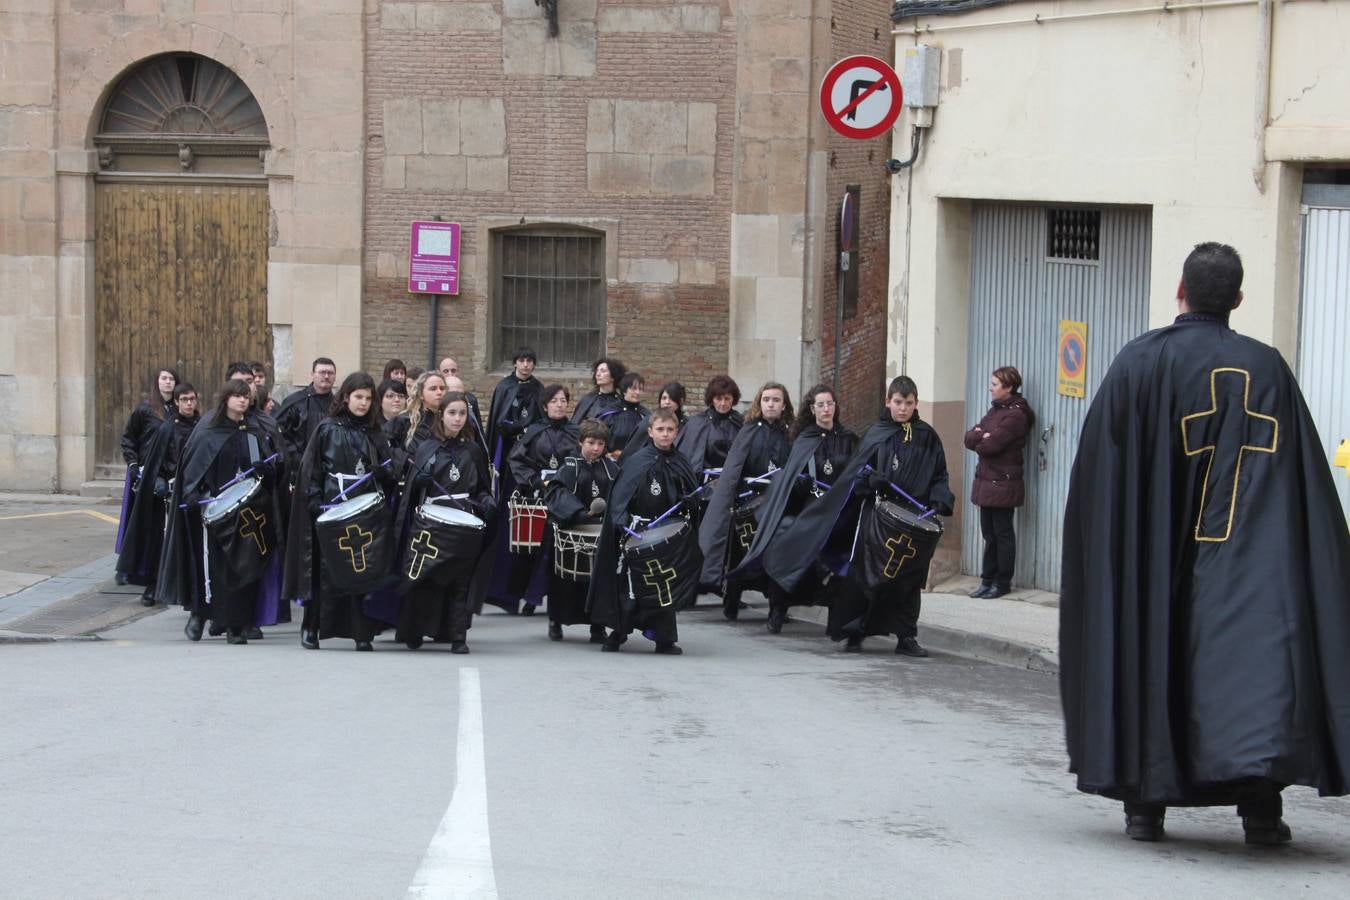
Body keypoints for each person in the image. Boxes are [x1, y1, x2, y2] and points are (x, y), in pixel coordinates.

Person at [1060, 242, 1350, 845]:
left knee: (1152, 651)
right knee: (1254, 673)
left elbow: (1102, 480)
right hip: (1251, 561)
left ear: (1179, 290)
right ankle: (1260, 812)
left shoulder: (1139, 365)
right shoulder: (1269, 369)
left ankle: (1145, 808)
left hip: (1156, 555)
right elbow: (1305, 487)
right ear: (1238, 300)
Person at [762, 376, 954, 656]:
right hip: (877, 517)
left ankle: (906, 637)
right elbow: (856, 474)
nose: (903, 409)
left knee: (909, 581)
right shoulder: (876, 433)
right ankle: (855, 631)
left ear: (915, 404)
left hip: (913, 519)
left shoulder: (928, 436)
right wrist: (868, 482)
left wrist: (940, 498)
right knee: (867, 575)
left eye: (909, 403)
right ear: (888, 401)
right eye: (898, 402)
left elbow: (940, 474)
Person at [154, 378, 290, 644]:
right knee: (212, 570)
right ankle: (201, 615)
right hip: (214, 512)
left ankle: (236, 626)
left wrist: (268, 469)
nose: (243, 400)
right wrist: (195, 493)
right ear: (226, 398)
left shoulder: (254, 430)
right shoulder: (208, 430)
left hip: (247, 514)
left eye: (246, 396)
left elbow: (272, 467)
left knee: (242, 570)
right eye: (237, 396)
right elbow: (193, 469)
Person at [283, 373, 398, 651]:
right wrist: (313, 499)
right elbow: (312, 470)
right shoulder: (327, 429)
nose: (363, 403)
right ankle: (312, 625)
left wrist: (385, 472)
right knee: (325, 571)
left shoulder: (374, 432)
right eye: (359, 397)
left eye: (368, 398)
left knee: (360, 571)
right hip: (332, 508)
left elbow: (389, 472)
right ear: (346, 397)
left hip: (364, 511)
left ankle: (361, 632)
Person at [731, 384, 859, 632]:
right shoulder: (803, 440)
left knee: (844, 559)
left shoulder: (849, 440)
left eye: (829, 404)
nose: (826, 409)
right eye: (820, 405)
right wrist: (800, 483)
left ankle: (837, 618)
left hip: (838, 514)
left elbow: (856, 472)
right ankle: (778, 609)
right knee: (786, 547)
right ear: (812, 409)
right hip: (808, 510)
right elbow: (790, 479)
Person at [587, 408, 701, 654]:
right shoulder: (637, 461)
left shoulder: (681, 462)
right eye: (660, 429)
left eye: (670, 430)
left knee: (662, 587)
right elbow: (620, 497)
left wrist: (690, 501)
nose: (665, 434)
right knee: (630, 587)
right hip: (637, 532)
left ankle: (664, 638)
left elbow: (688, 494)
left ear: (677, 432)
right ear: (650, 431)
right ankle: (618, 634)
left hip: (666, 537)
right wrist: (621, 519)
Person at [394, 393, 496, 653]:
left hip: (462, 524)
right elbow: (411, 490)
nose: (458, 419)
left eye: (462, 413)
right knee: (422, 578)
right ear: (441, 415)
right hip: (430, 523)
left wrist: (487, 501)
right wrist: (419, 481)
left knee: (459, 582)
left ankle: (457, 637)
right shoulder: (427, 448)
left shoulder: (473, 451)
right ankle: (414, 631)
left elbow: (482, 489)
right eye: (452, 413)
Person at [698, 382, 793, 620]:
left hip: (777, 502)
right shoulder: (749, 430)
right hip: (748, 502)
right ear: (760, 403)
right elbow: (735, 468)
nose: (771, 404)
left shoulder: (790, 433)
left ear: (784, 405)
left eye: (776, 400)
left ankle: (777, 607)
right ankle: (732, 600)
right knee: (741, 556)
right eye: (767, 399)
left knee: (778, 554)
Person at [491, 385, 581, 615]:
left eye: (563, 400)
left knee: (562, 550)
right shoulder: (534, 431)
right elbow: (517, 459)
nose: (560, 404)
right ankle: (530, 596)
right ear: (545, 405)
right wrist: (534, 481)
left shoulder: (576, 432)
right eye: (554, 400)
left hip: (566, 496)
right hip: (539, 494)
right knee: (533, 549)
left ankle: (559, 600)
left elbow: (583, 460)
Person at [116, 383, 199, 605]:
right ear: (177, 402)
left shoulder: (202, 428)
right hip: (169, 495)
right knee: (162, 543)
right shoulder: (167, 429)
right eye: (184, 400)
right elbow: (156, 462)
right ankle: (154, 585)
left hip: (195, 494)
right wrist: (160, 481)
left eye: (192, 399)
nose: (189, 403)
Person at [541, 418, 617, 643]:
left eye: (601, 444)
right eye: (591, 442)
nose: (595, 448)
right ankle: (556, 621)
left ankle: (597, 626)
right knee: (564, 582)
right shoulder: (568, 467)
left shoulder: (612, 469)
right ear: (581, 441)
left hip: (600, 535)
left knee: (599, 583)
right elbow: (556, 494)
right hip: (571, 529)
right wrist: (578, 513)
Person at [964, 366, 1034, 599]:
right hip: (987, 482)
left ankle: (1002, 582)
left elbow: (991, 446)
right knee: (989, 534)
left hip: (1004, 483)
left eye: (994, 384)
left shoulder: (1016, 415)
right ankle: (987, 579)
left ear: (1009, 387)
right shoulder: (995, 411)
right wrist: (980, 435)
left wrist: (984, 438)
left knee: (1003, 534)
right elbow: (969, 437)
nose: (990, 388)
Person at [114, 367, 179, 583]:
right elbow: (129, 438)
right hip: (146, 473)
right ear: (157, 382)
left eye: (171, 378)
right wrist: (133, 464)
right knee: (139, 524)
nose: (167, 382)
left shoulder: (179, 410)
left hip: (170, 474)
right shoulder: (145, 409)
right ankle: (128, 569)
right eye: (164, 378)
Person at [275, 357, 338, 474]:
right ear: (312, 374)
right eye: (322, 372)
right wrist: (296, 458)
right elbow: (279, 433)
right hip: (299, 468)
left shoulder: (339, 405)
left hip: (330, 469)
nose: (326, 376)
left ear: (335, 377)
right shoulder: (295, 401)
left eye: (330, 373)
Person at [485, 346, 542, 469]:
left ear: (534, 365)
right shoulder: (504, 387)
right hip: (508, 444)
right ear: (515, 363)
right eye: (521, 361)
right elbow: (498, 419)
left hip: (531, 445)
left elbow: (542, 418)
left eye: (529, 361)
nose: (525, 365)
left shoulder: (538, 388)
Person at [676, 374, 743, 475]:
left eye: (727, 398)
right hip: (706, 482)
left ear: (733, 399)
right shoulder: (697, 424)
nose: (723, 403)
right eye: (718, 399)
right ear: (712, 399)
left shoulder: (741, 423)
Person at [384, 371, 447, 476]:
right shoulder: (404, 420)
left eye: (442, 388)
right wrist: (406, 462)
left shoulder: (451, 421)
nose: (439, 392)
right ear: (421, 394)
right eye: (433, 388)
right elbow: (384, 447)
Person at [598, 372, 649, 458]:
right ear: (624, 390)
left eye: (640, 389)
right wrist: (609, 454)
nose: (637, 392)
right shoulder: (609, 414)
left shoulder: (646, 415)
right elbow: (598, 438)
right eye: (633, 388)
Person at [571, 357, 627, 423]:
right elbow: (575, 424)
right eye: (597, 371)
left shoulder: (620, 402)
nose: (598, 374)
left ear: (613, 376)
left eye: (603, 371)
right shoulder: (588, 399)